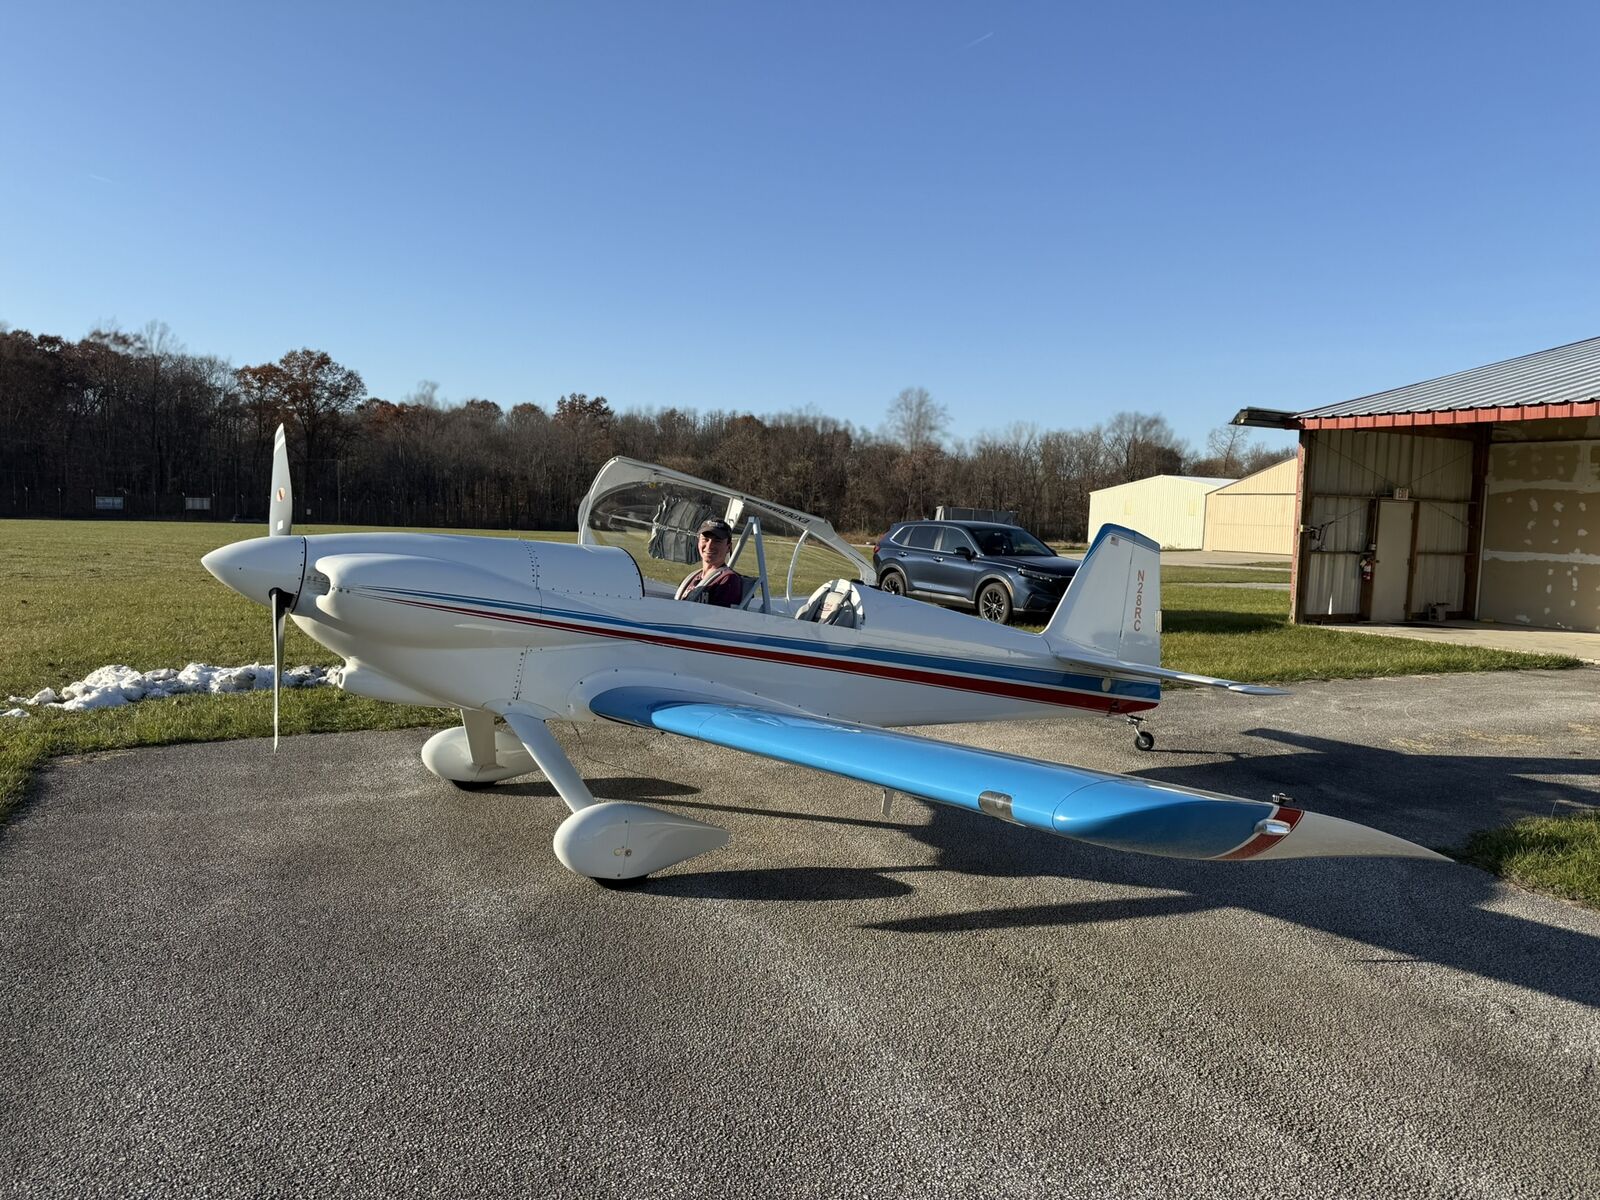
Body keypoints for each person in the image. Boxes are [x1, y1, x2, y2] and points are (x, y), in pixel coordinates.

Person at [675, 518, 745, 607]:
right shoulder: (691, 578)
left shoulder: (728, 580)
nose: (709, 546)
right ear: (698, 542)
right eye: (705, 539)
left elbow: (719, 614)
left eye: (717, 541)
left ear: (728, 547)